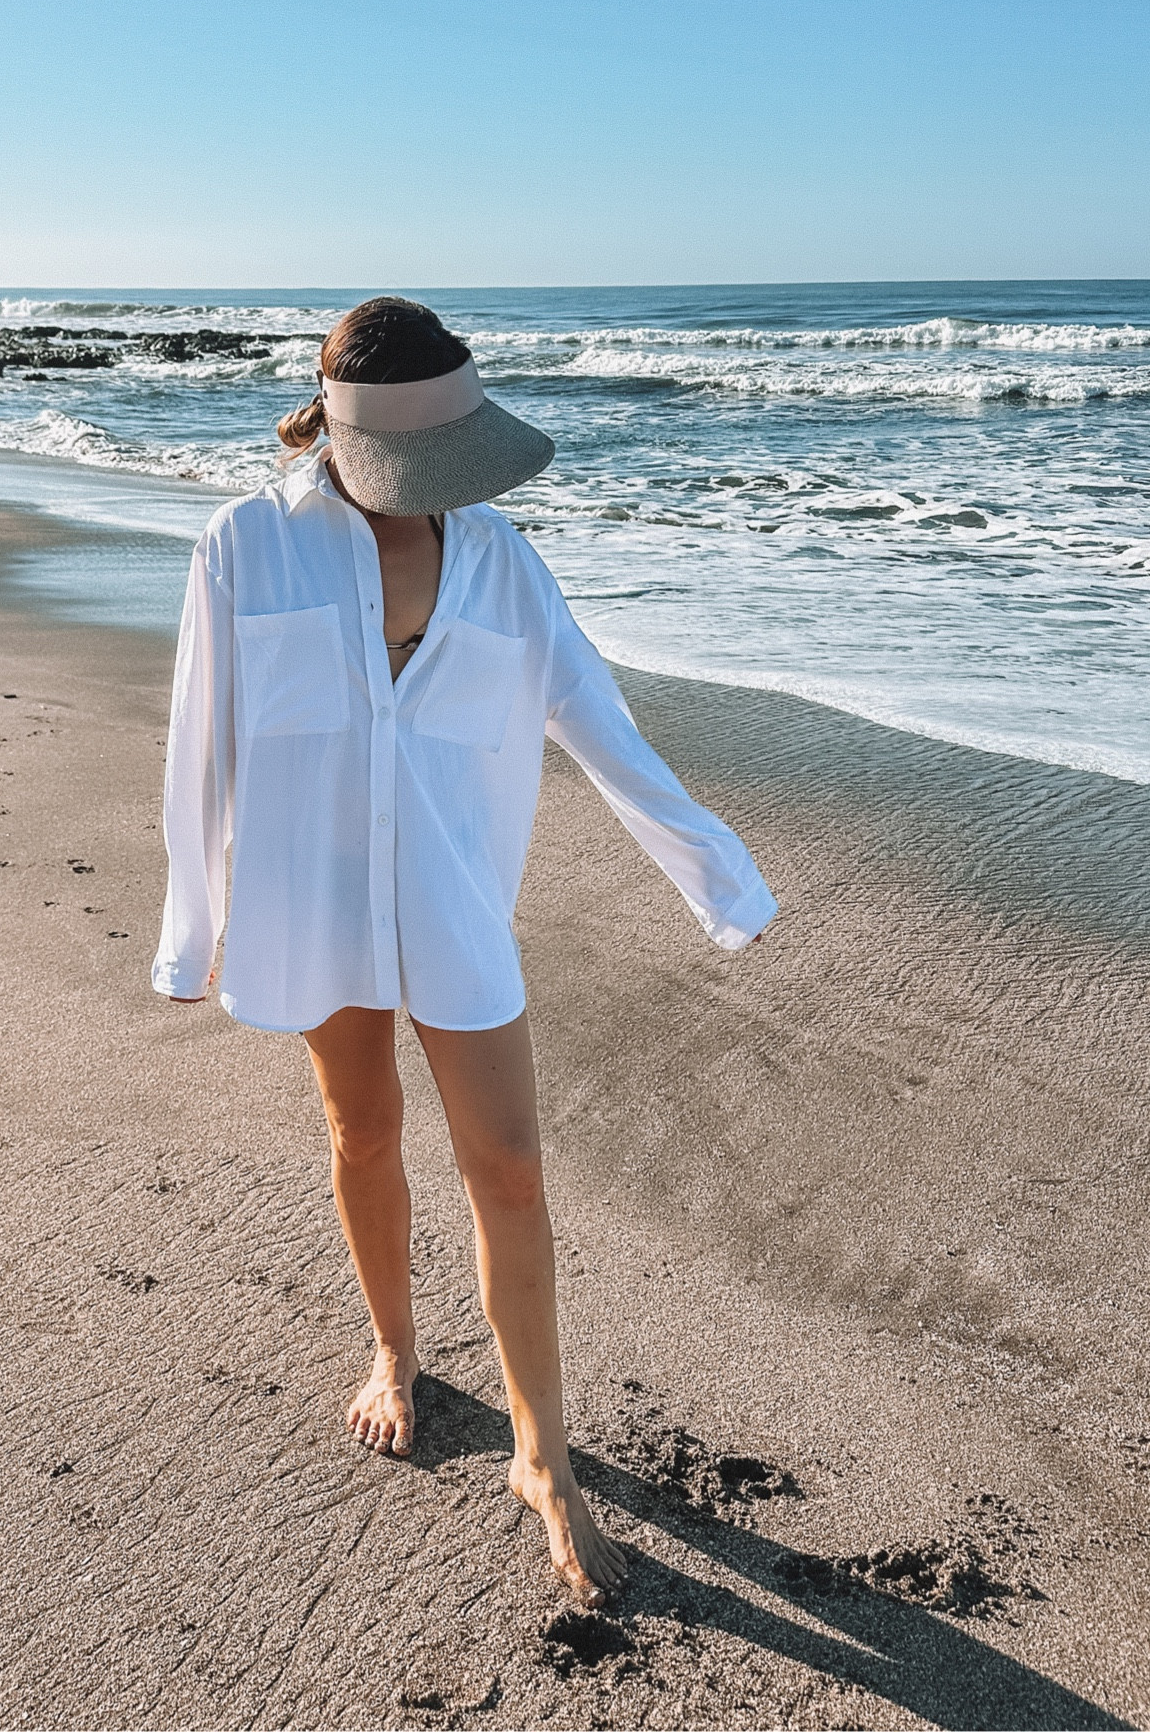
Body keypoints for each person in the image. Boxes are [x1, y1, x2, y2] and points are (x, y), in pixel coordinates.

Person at [151, 297, 776, 1605]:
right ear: (337, 433)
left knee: (512, 1162)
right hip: (313, 899)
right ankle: (395, 1351)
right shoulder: (245, 548)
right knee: (362, 1133)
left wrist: (715, 874)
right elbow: (199, 741)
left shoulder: (502, 564)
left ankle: (542, 1454)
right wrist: (195, 929)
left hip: (454, 902)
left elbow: (599, 721)